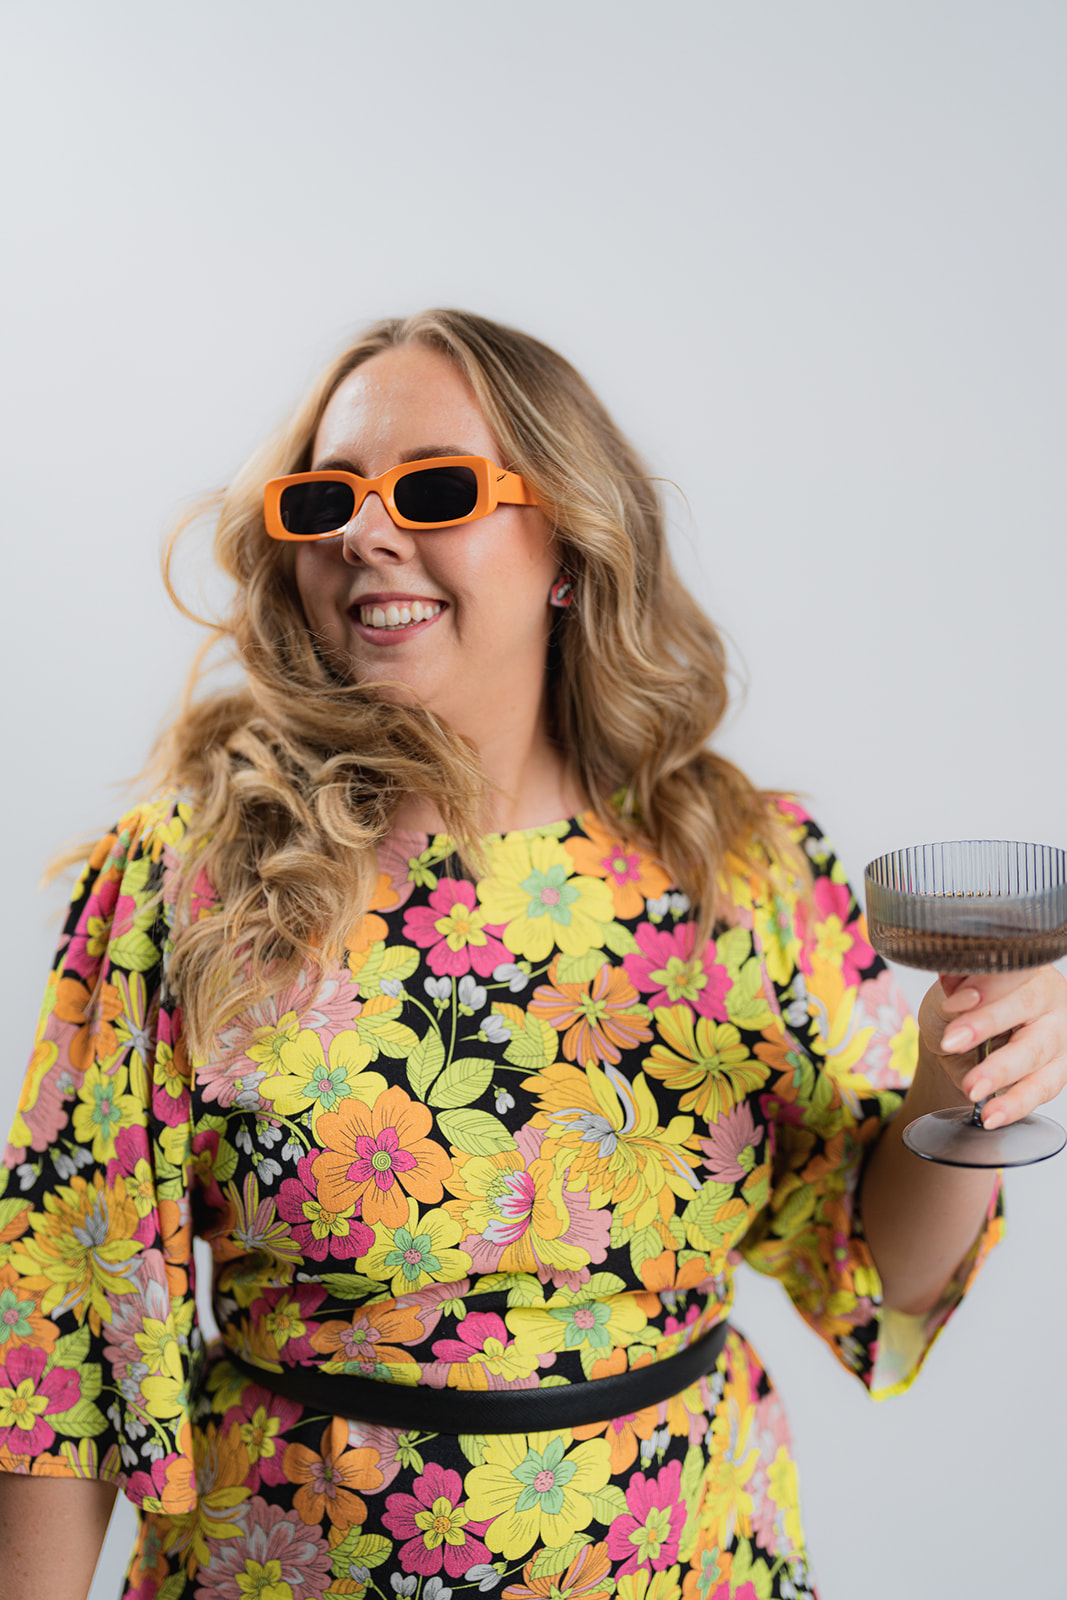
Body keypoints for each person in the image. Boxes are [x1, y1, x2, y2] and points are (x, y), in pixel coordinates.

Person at [1, 309, 1063, 1600]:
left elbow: (878, 1266)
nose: (361, 534)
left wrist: (971, 1077)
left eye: (434, 490)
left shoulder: (743, 865)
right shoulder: (192, 879)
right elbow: (59, 1336)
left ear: (569, 544)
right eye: (325, 497)